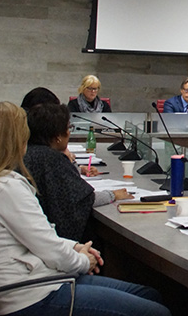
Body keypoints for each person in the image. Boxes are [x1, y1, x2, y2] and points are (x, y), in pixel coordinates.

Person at [0, 102, 171, 316]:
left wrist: (75, 248)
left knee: (148, 296)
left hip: (34, 282)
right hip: (31, 295)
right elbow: (48, 248)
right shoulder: (4, 188)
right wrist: (82, 261)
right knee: (157, 315)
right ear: (13, 140)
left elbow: (40, 237)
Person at [23, 103, 132, 241]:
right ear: (57, 136)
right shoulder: (52, 159)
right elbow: (83, 198)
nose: (69, 132)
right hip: (54, 239)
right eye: (68, 128)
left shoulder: (27, 152)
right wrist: (113, 194)